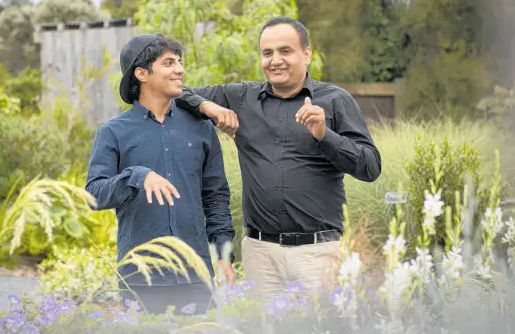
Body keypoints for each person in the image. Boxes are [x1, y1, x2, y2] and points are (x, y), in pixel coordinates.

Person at [174, 17, 382, 301]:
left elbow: (370, 167)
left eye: (285, 51)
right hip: (260, 254)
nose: (275, 60)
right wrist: (208, 106)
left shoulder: (335, 100)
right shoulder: (241, 97)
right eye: (267, 53)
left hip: (317, 253)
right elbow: (176, 93)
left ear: (306, 54)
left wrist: (325, 135)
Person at [85, 33, 236, 315]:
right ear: (142, 73)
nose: (179, 69)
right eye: (168, 63)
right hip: (142, 277)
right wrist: (137, 176)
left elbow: (215, 197)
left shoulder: (202, 129)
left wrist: (224, 253)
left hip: (196, 276)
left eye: (179, 62)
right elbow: (93, 194)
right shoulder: (113, 132)